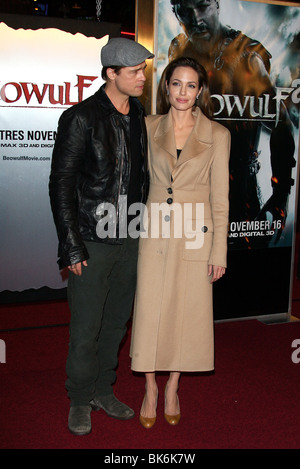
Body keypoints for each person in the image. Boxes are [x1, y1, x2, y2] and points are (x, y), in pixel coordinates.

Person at [49, 37, 154, 436]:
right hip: (92, 238)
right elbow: (61, 184)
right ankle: (79, 396)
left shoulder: (137, 114)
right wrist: (70, 243)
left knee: (116, 322)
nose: (141, 77)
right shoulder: (80, 118)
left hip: (130, 236)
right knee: (87, 326)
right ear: (111, 74)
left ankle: (101, 389)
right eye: (134, 72)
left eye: (142, 70)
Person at [130, 57, 231, 428]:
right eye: (176, 84)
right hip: (154, 232)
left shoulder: (218, 136)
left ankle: (173, 385)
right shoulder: (146, 126)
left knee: (186, 316)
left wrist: (218, 250)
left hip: (195, 237)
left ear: (200, 90)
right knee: (150, 311)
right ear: (166, 87)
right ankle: (150, 388)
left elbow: (220, 200)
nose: (183, 92)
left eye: (191, 85)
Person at [167, 0, 295, 247]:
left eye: (202, 5)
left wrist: (281, 193)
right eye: (184, 9)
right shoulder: (179, 48)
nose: (195, 18)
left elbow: (280, 123)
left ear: (216, 5)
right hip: (188, 189)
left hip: (238, 196)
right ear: (175, 11)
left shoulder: (245, 56)